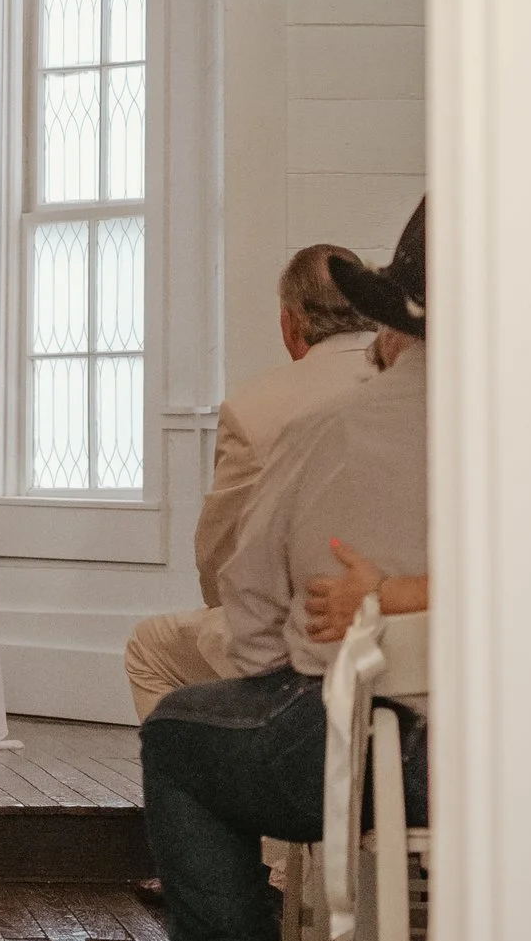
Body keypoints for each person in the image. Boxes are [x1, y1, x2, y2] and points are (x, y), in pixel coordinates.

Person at [140, 203, 429, 941]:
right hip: (530, 755)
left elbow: (253, 605)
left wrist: (282, 669)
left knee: (182, 737)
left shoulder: (333, 433)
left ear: (395, 323)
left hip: (376, 750)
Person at [122, 242, 377, 722]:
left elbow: (221, 554)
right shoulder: (412, 389)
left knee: (149, 649)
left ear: (290, 322)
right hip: (411, 627)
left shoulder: (257, 407)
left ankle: (222, 783)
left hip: (302, 638)